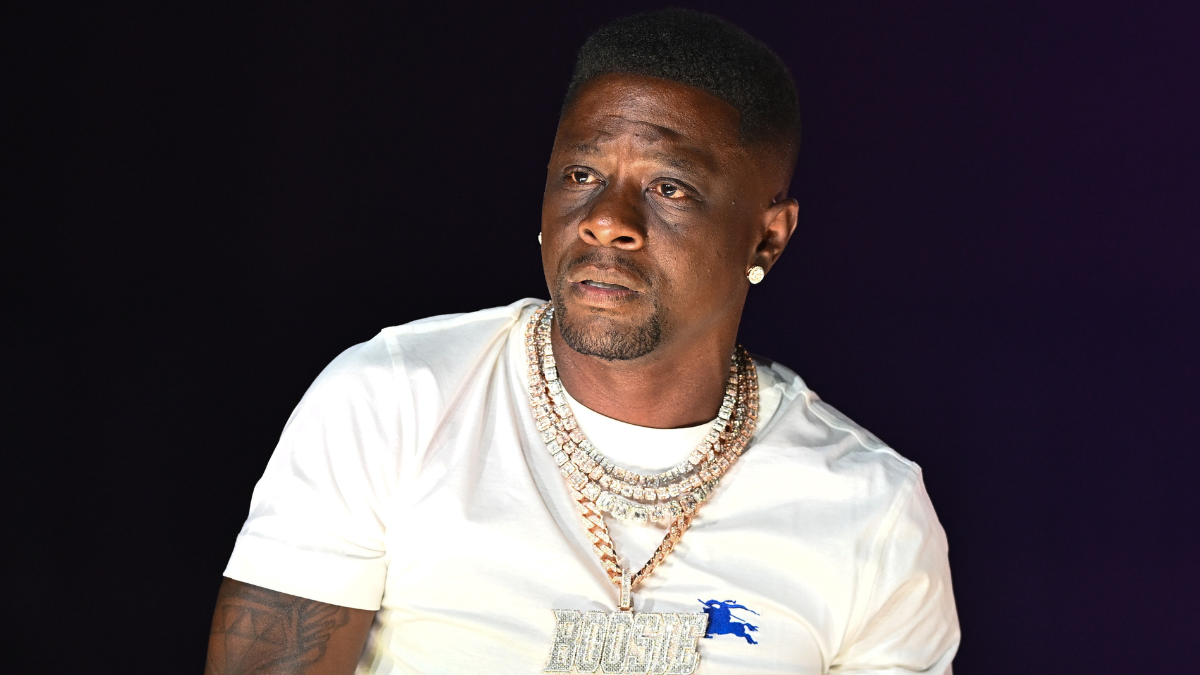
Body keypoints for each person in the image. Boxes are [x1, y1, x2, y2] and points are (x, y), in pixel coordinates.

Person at [206, 9, 959, 675]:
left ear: (767, 237)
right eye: (580, 173)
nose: (606, 219)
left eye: (669, 187)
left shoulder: (870, 512)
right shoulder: (393, 403)